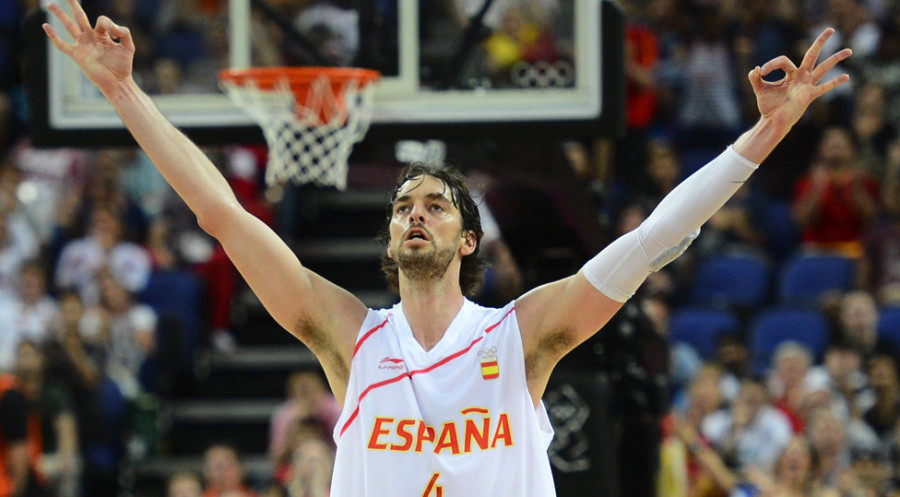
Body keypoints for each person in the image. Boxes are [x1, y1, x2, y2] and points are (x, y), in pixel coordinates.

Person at [41, 2, 853, 494]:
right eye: (402, 206)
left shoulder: (521, 336)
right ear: (392, 238)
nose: (414, 213)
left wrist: (764, 132)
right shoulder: (349, 337)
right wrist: (122, 89)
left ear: (469, 238)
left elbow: (652, 242)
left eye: (434, 204)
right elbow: (220, 212)